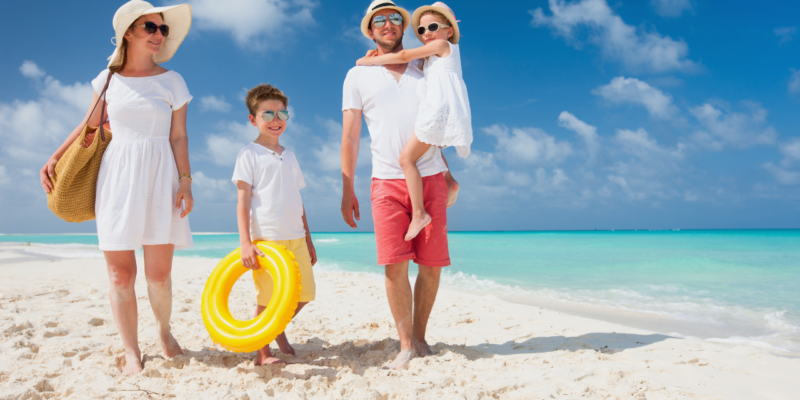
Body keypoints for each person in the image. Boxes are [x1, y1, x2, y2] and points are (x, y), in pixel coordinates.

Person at [38, 0, 194, 374]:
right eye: (150, 27)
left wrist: (186, 180)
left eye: (163, 28)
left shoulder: (173, 81)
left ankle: (164, 330)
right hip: (117, 176)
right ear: (128, 32)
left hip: (161, 175)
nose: (159, 34)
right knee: (121, 275)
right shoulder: (108, 78)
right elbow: (89, 124)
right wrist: (56, 156)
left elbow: (178, 136)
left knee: (158, 275)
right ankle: (131, 352)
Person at [341, 0, 457, 370]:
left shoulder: (425, 64)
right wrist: (347, 188)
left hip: (432, 175)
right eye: (379, 20)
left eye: (394, 18)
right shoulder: (356, 75)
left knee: (432, 264)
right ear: (370, 30)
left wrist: (449, 170)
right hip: (386, 181)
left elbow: (437, 120)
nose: (388, 23)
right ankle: (405, 343)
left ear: (402, 26)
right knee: (394, 265)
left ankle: (420, 338)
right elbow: (350, 136)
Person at [357, 2, 472, 241]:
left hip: (438, 110)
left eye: (432, 26)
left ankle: (419, 213)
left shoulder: (443, 46)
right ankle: (450, 182)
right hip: (441, 111)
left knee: (406, 157)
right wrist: (376, 54)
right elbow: (407, 62)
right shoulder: (430, 58)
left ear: (449, 30)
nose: (426, 33)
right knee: (426, 147)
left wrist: (367, 62)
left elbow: (404, 55)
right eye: (421, 31)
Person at [232, 84, 318, 366]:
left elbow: (298, 199)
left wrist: (309, 239)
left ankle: (276, 327)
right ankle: (263, 353)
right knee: (267, 299)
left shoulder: (290, 155)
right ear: (253, 119)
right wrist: (246, 243)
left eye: (282, 113)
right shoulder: (249, 154)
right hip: (267, 239)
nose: (275, 119)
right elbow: (243, 201)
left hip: (296, 236)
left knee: (305, 294)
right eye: (267, 113)